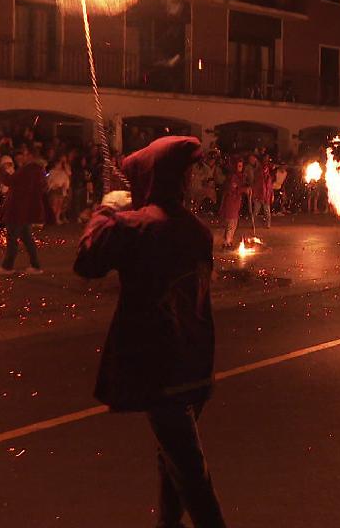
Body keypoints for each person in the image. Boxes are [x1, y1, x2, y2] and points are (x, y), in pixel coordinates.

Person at [74, 136, 227, 528]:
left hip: (161, 368)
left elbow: (88, 262)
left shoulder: (137, 226)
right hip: (196, 364)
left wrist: (107, 208)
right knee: (174, 457)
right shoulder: (196, 229)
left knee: (190, 471)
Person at [0, 147, 46, 275]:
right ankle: (35, 265)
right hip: (26, 209)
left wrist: (1, 170)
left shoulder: (28, 170)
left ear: (32, 156)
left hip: (18, 208)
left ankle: (7, 266)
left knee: (12, 238)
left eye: (26, 154)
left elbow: (10, 181)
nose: (24, 156)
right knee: (27, 238)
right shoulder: (38, 171)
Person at [219, 158, 250, 249]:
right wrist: (244, 190)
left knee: (234, 222)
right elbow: (233, 189)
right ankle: (226, 242)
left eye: (241, 166)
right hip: (231, 202)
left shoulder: (240, 176)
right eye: (239, 166)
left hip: (235, 202)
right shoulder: (233, 177)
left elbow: (239, 187)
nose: (240, 168)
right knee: (231, 223)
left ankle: (228, 240)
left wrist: (246, 188)